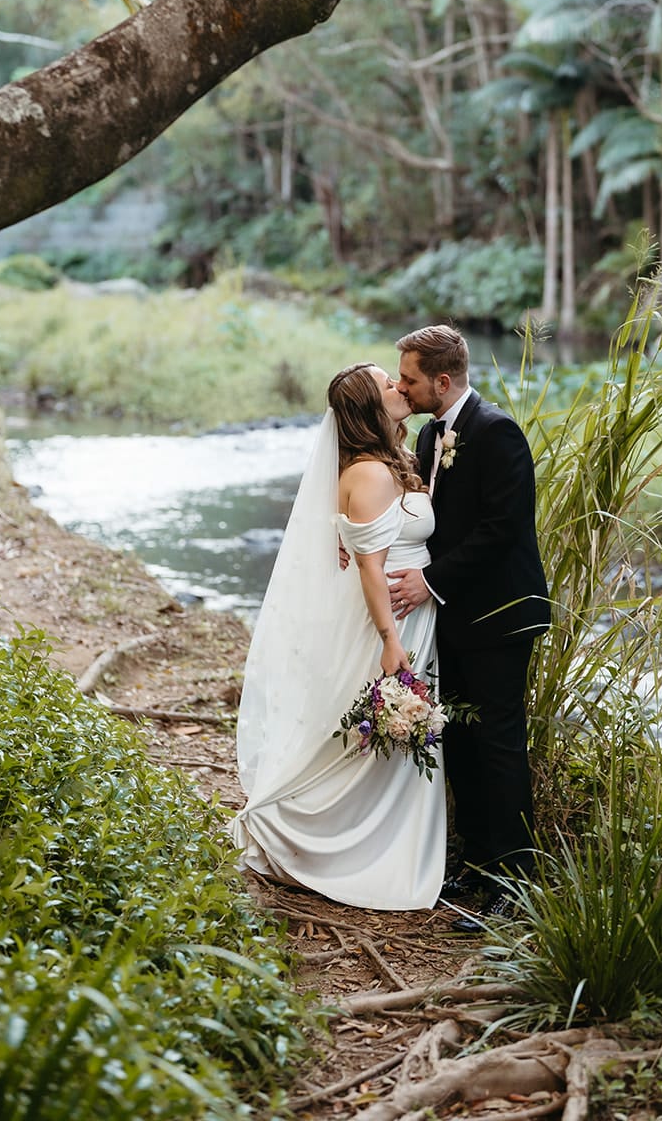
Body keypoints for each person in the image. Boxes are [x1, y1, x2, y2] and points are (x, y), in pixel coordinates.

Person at [232, 363, 446, 911]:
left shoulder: (388, 460)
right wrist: (389, 640)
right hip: (390, 619)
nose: (401, 388)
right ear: (369, 408)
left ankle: (389, 845)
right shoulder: (371, 473)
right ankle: (336, 845)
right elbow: (372, 570)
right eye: (388, 385)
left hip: (410, 610)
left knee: (381, 736)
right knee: (369, 732)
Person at [387, 324, 550, 924]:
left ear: (443, 380)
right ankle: (477, 865)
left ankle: (517, 883)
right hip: (452, 620)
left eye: (410, 378)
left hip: (501, 617)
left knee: (500, 746)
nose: (403, 387)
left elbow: (500, 529)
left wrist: (428, 582)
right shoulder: (430, 435)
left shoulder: (497, 431)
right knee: (458, 739)